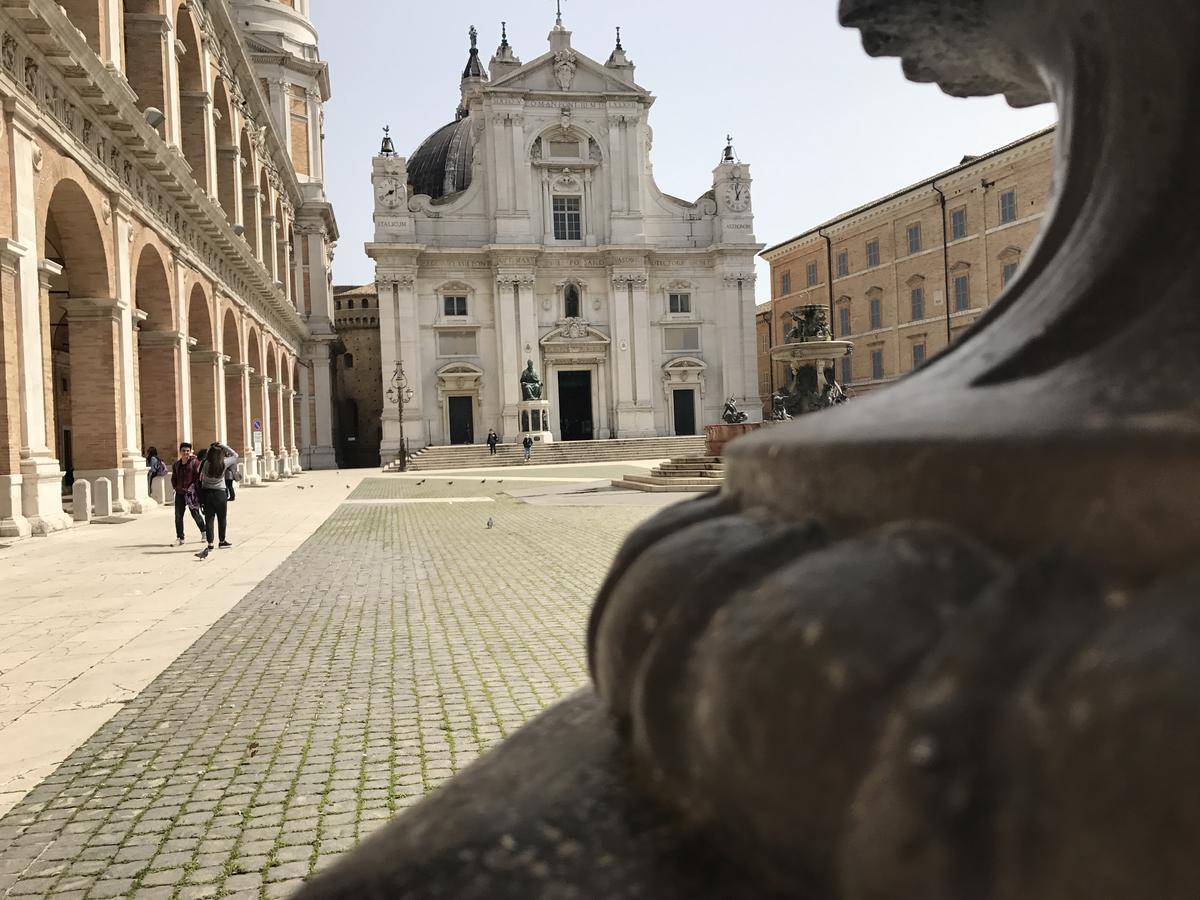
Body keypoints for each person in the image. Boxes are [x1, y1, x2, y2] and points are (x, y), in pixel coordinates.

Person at [196, 442, 238, 559]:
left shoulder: (204, 463)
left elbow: (198, 473)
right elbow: (235, 455)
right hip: (220, 493)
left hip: (207, 493)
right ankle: (222, 540)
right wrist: (223, 446)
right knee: (222, 518)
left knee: (209, 519)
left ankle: (210, 543)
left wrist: (210, 448)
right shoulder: (223, 463)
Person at [170, 442, 205, 546]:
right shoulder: (176, 465)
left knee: (195, 514)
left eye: (187, 451)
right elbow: (174, 478)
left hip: (191, 494)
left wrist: (194, 489)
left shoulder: (195, 463)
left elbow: (198, 477)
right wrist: (176, 487)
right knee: (178, 516)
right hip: (180, 493)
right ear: (180, 452)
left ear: (190, 452)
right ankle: (180, 537)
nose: (186, 453)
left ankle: (204, 532)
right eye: (184, 451)